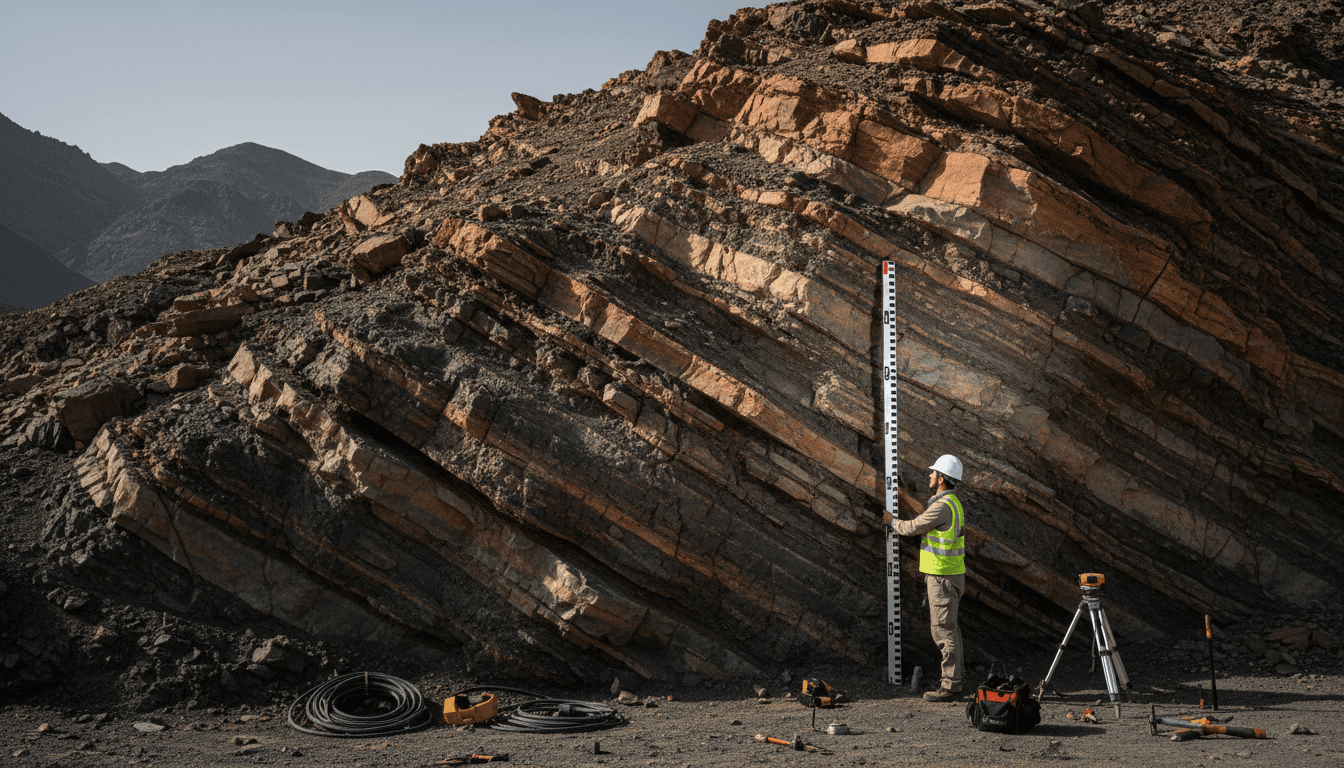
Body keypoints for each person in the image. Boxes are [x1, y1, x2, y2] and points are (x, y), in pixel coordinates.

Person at [887, 454, 966, 702]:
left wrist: (892, 522)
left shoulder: (943, 507)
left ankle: (951, 686)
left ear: (942, 479)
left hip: (942, 576)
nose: (930, 475)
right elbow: (926, 514)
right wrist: (903, 496)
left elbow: (915, 526)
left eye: (933, 473)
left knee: (943, 631)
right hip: (949, 575)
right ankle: (955, 680)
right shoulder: (950, 503)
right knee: (950, 629)